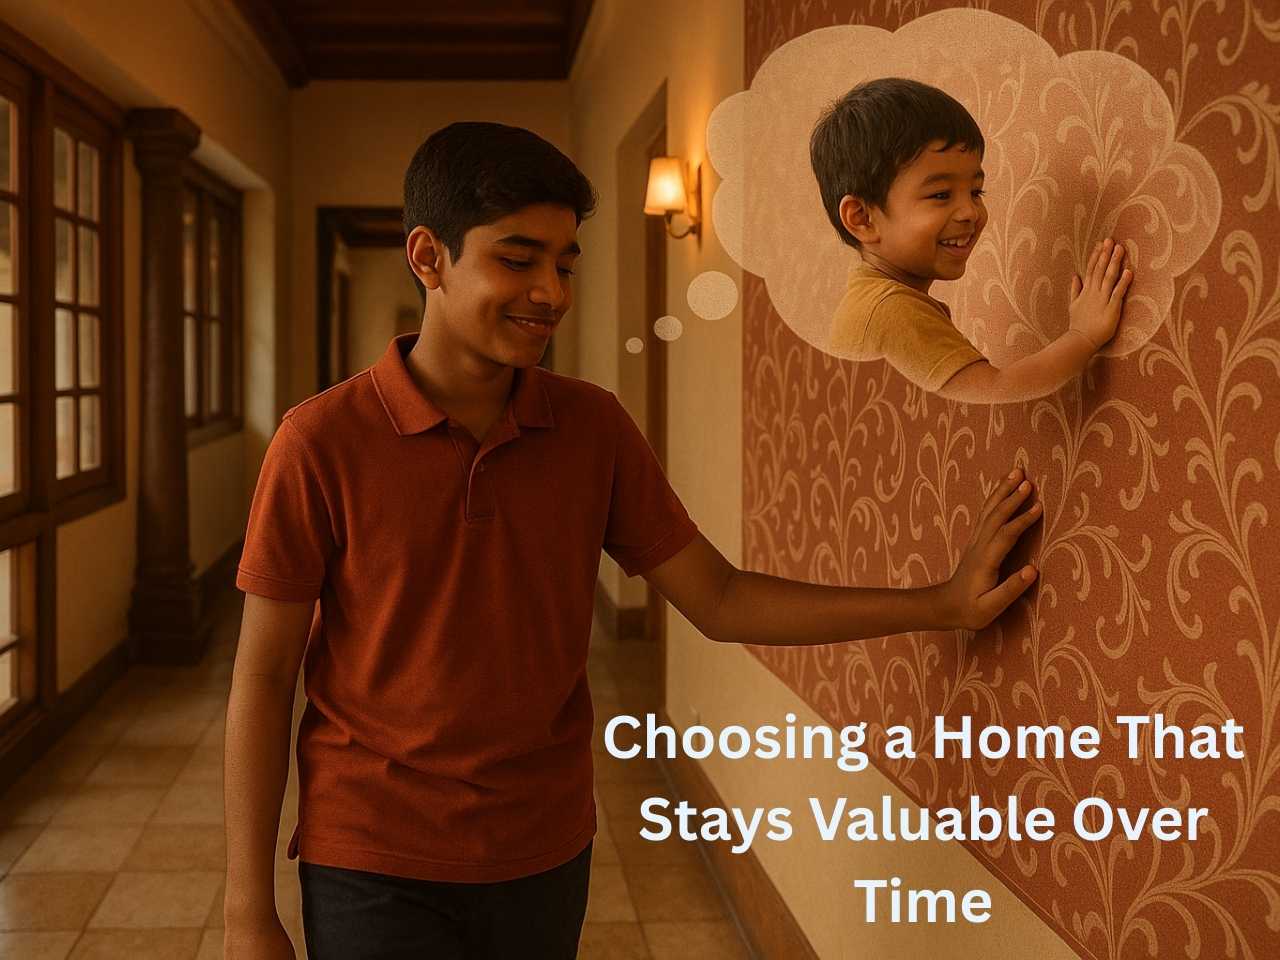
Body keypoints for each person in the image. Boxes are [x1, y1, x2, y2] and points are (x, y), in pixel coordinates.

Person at [222, 121, 1044, 960]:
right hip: (373, 853)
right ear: (429, 257)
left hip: (542, 850)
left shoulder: (592, 430)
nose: (550, 292)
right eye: (517, 260)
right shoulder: (319, 443)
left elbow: (720, 599)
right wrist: (247, 913)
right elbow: (264, 675)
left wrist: (940, 604)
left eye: (565, 264)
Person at [811, 77, 1135, 402]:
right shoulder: (891, 312)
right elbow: (996, 392)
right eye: (941, 194)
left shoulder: (872, 301)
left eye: (976, 192)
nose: (970, 212)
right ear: (862, 218)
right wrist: (1083, 335)